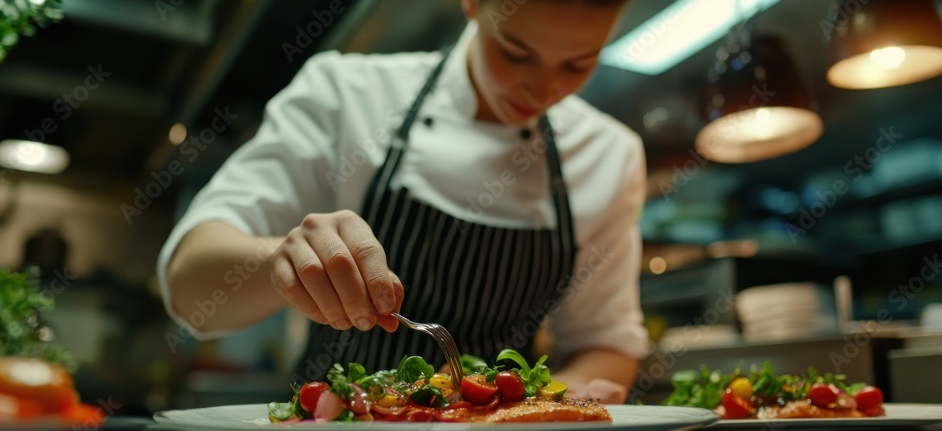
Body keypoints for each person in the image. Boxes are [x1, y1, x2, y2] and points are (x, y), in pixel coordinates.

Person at [158, 0, 648, 404]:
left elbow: (604, 342)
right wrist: (281, 263)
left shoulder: (609, 154)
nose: (543, 89)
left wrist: (564, 396)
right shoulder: (347, 94)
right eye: (515, 53)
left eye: (578, 63)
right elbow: (190, 290)